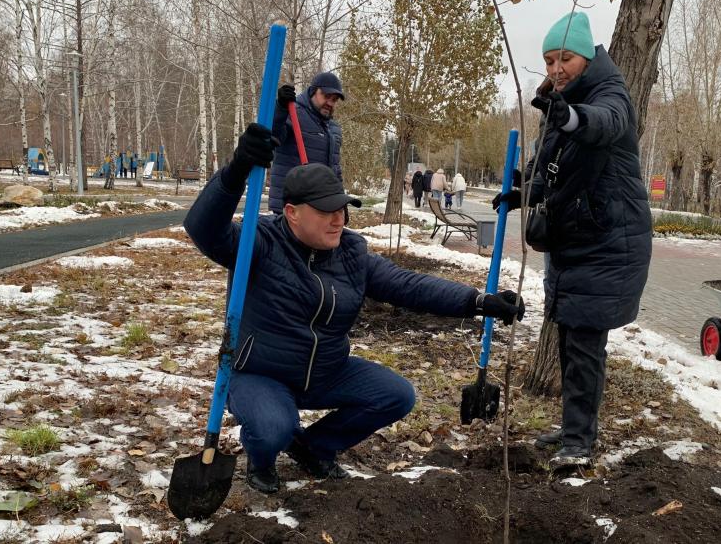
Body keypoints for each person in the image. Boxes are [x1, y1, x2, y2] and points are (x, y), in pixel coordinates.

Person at [184, 124, 525, 494]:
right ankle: (262, 461)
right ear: (292, 213)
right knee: (272, 429)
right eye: (327, 211)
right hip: (261, 374)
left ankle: (314, 447)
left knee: (396, 394)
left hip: (327, 371)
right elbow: (202, 227)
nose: (339, 219)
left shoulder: (350, 252)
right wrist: (236, 169)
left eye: (343, 209)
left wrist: (476, 301)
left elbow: (406, 284)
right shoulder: (258, 241)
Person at [493, 11, 652, 469]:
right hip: (576, 240)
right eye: (548, 61)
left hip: (607, 243)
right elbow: (550, 164)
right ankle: (573, 428)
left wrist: (570, 117)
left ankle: (580, 442)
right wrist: (525, 191)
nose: (555, 69)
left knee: (584, 344)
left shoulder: (608, 92)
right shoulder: (557, 99)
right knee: (569, 340)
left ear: (585, 57)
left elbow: (605, 123)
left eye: (564, 58)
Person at [267, 72, 346, 214]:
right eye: (326, 96)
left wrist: (341, 203)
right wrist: (280, 108)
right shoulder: (293, 113)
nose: (330, 103)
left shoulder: (333, 129)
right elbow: (273, 136)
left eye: (334, 100)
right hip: (292, 206)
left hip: (319, 206)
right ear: (312, 91)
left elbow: (335, 169)